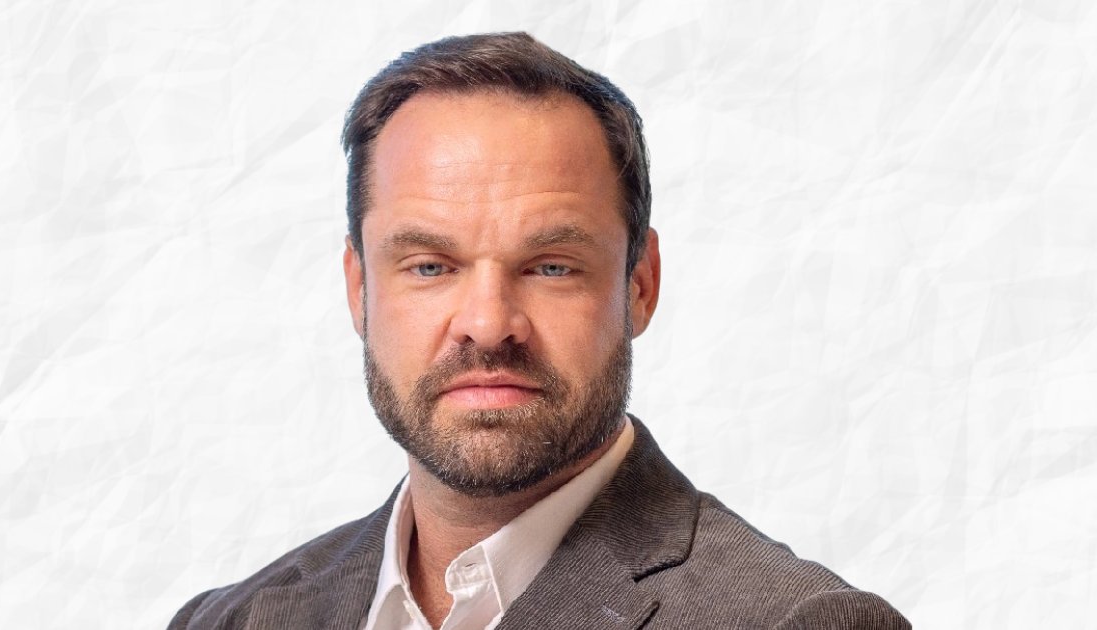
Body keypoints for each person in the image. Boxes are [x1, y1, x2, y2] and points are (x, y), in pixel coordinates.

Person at [167, 32, 910, 630]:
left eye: (551, 267)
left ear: (640, 285)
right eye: (430, 267)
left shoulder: (798, 622)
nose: (489, 324)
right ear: (360, 289)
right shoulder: (230, 620)